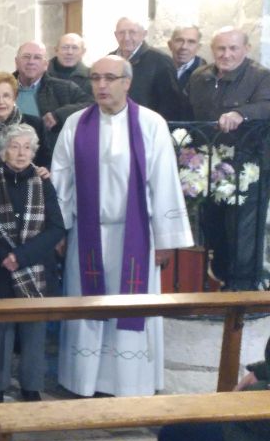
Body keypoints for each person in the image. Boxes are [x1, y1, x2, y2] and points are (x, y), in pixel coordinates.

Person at [53, 55, 193, 397]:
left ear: (127, 82)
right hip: (87, 234)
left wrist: (165, 238)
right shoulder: (75, 123)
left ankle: (131, 381)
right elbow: (61, 178)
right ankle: (83, 380)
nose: (101, 85)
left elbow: (164, 180)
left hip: (136, 235)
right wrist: (59, 229)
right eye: (96, 78)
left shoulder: (150, 123)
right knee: (88, 305)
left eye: (110, 78)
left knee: (132, 305)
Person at [0, 124, 64, 404]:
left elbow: (56, 228)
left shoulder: (43, 183)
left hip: (36, 269)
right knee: (0, 332)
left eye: (27, 147)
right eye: (15, 146)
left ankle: (31, 385)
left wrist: (22, 256)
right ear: (3, 151)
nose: (21, 153)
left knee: (34, 331)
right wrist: (1, 256)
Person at [185, 27, 270, 291]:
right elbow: (188, 113)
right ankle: (222, 279)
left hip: (248, 165)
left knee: (243, 230)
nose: (227, 54)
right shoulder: (200, 77)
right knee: (214, 226)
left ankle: (243, 290)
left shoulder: (261, 76)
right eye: (221, 48)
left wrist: (241, 114)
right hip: (209, 166)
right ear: (212, 50)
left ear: (246, 49)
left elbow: (267, 104)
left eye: (233, 48)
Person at [157, 333, 270, 441]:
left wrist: (244, 400)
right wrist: (260, 371)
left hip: (253, 431)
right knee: (178, 422)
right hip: (246, 417)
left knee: (172, 434)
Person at [13, 41, 90, 146]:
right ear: (16, 62)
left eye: (37, 57)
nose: (31, 61)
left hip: (48, 154)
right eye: (26, 57)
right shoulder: (3, 87)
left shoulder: (64, 88)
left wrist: (59, 115)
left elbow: (91, 104)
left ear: (45, 65)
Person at [110, 16, 187, 121]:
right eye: (121, 33)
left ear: (144, 34)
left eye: (132, 32)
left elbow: (170, 103)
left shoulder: (160, 60)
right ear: (115, 35)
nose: (126, 38)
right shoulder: (108, 60)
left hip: (146, 126)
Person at [47, 33, 92, 99]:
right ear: (56, 50)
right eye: (65, 47)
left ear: (83, 52)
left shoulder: (91, 77)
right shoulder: (42, 74)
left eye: (75, 48)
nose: (69, 52)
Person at [168, 25, 206, 90]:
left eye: (191, 42)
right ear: (170, 45)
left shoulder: (205, 75)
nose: (184, 47)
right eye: (179, 40)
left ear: (198, 47)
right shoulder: (159, 69)